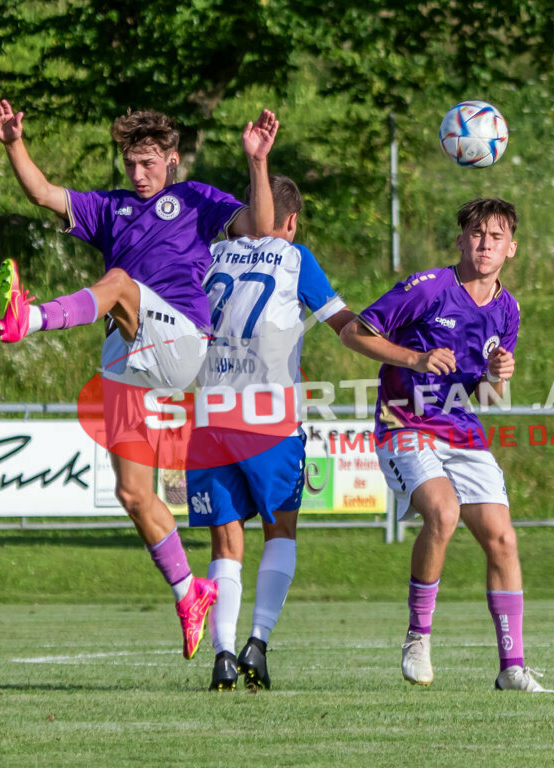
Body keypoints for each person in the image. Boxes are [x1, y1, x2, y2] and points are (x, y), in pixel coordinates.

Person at [0, 98, 278, 661]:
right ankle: (189, 592)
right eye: (130, 163)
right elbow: (43, 194)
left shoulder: (194, 199)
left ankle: (32, 317)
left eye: (148, 163)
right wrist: (14, 144)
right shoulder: (109, 208)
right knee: (133, 493)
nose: (138, 174)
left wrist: (258, 162)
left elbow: (261, 227)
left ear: (171, 161)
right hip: (128, 349)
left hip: (183, 340)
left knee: (117, 281)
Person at [339, 198, 549, 692]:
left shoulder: (508, 309)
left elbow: (490, 395)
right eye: (476, 233)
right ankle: (418, 636)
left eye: (496, 237)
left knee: (502, 538)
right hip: (403, 421)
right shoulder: (429, 288)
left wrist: (500, 377)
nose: (485, 244)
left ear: (511, 249)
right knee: (443, 513)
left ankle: (512, 667)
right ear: (460, 240)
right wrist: (414, 358)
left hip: (460, 426)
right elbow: (354, 333)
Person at [185, 174, 354, 690]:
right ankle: (256, 642)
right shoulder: (295, 257)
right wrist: (402, 348)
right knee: (280, 532)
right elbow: (344, 324)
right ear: (292, 220)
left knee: (224, 543)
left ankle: (221, 654)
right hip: (270, 421)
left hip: (210, 417)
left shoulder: (210, 254)